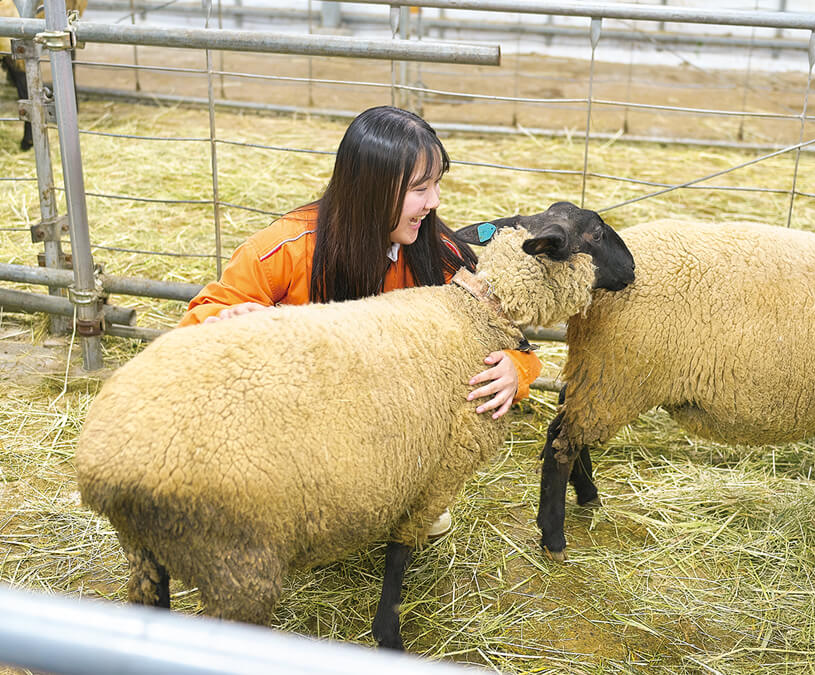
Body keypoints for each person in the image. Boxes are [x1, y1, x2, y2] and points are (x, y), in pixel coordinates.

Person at [177, 105, 542, 536]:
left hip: (389, 430)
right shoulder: (289, 247)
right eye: (419, 189)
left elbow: (515, 345)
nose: (435, 202)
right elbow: (195, 323)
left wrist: (515, 371)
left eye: (436, 184)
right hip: (303, 422)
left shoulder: (438, 254)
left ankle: (397, 500)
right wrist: (227, 318)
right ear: (370, 188)